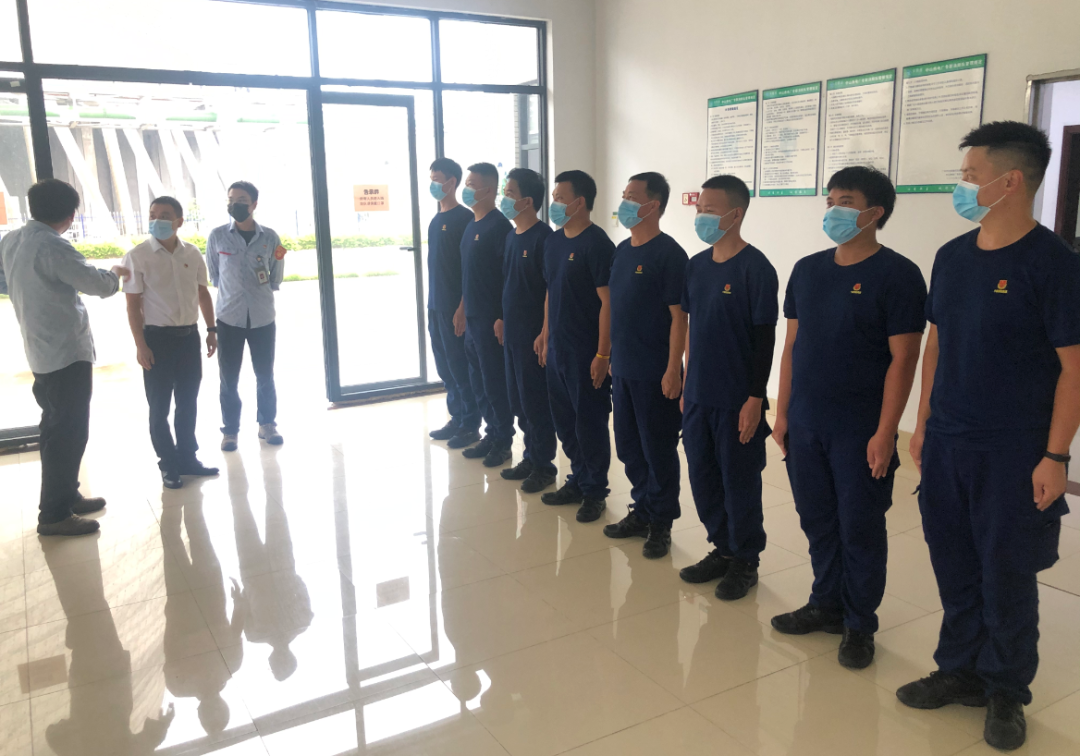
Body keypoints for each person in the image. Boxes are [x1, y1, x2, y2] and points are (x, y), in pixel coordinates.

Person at [896, 122, 1080, 751]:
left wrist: (1055, 456)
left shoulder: (1054, 265)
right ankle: (960, 670)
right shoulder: (952, 256)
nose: (963, 186)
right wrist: (923, 422)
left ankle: (1004, 689)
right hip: (948, 440)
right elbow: (937, 342)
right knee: (954, 563)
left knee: (1007, 572)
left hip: (1014, 450)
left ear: (1011, 182)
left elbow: (1074, 369)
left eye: (971, 176)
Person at [770, 166, 926, 670]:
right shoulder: (807, 270)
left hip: (860, 429)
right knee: (817, 519)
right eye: (830, 201)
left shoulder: (898, 275)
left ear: (874, 213)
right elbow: (792, 346)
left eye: (846, 202)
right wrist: (783, 413)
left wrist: (886, 432)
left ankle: (859, 624)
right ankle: (826, 604)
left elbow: (904, 359)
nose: (833, 210)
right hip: (806, 421)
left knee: (859, 526)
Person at [0, 179, 128, 537]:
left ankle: (67, 495)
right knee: (68, 433)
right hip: (64, 353)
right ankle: (54, 514)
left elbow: (5, 282)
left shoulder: (12, 240)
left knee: (55, 428)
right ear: (71, 215)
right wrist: (115, 274)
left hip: (42, 350)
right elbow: (98, 285)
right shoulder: (54, 246)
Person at [679, 175, 778, 600]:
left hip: (737, 399)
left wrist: (756, 398)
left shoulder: (756, 268)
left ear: (735, 214)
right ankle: (722, 548)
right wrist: (686, 380)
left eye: (710, 210)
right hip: (698, 395)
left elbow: (764, 339)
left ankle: (745, 560)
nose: (701, 216)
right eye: (699, 209)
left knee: (739, 482)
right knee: (702, 477)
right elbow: (691, 327)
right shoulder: (696, 266)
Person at [604, 172, 688, 557]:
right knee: (628, 446)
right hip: (623, 368)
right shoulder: (623, 250)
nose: (624, 203)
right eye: (624, 195)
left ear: (653, 205)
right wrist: (608, 355)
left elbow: (679, 318)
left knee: (658, 449)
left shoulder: (669, 254)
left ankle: (661, 522)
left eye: (632, 197)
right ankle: (643, 509)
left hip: (655, 371)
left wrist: (673, 368)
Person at [123, 196, 219, 489]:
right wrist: (141, 345)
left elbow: (202, 293)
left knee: (188, 403)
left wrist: (211, 329)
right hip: (157, 340)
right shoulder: (138, 256)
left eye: (164, 215)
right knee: (159, 407)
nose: (157, 220)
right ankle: (168, 464)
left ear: (179, 221)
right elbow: (132, 305)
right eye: (153, 214)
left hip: (189, 337)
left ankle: (188, 458)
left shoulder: (192, 252)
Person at [536, 170, 616, 522]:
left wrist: (603, 353)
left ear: (579, 202)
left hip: (585, 352)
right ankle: (578, 479)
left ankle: (595, 491)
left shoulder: (597, 245)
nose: (554, 204)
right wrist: (544, 333)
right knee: (565, 422)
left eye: (559, 198)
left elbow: (608, 303)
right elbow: (550, 291)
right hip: (557, 348)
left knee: (590, 423)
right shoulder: (554, 242)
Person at [206, 181, 285, 452]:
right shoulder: (217, 236)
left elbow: (276, 274)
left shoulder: (270, 237)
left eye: (241, 200)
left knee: (265, 375)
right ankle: (230, 431)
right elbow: (215, 274)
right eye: (231, 200)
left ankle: (267, 424)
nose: (235, 205)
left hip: (262, 318)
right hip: (229, 318)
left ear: (254, 204)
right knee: (229, 378)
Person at [495, 167, 557, 493]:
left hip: (533, 337)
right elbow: (507, 281)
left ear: (528, 201)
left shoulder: (544, 238)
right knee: (518, 401)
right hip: (512, 333)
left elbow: (550, 291)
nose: (504, 199)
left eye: (510, 194)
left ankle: (544, 465)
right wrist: (501, 318)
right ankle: (530, 457)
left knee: (536, 403)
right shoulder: (511, 236)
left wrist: (544, 332)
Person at [458, 162, 515, 467]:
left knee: (494, 382)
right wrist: (461, 308)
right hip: (472, 318)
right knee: (477, 380)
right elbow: (469, 275)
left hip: (491, 321)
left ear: (489, 190)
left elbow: (507, 278)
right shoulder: (471, 225)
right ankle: (490, 434)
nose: (466, 189)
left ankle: (503, 440)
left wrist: (502, 316)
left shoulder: (499, 227)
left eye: (471, 184)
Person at [426, 158, 483, 449]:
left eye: (437, 179)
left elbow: (469, 271)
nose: (433, 185)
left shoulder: (464, 220)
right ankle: (457, 418)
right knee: (445, 368)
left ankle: (470, 424)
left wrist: (462, 308)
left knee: (460, 368)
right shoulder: (436, 220)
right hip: (435, 306)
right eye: (431, 179)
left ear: (452, 182)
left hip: (454, 309)